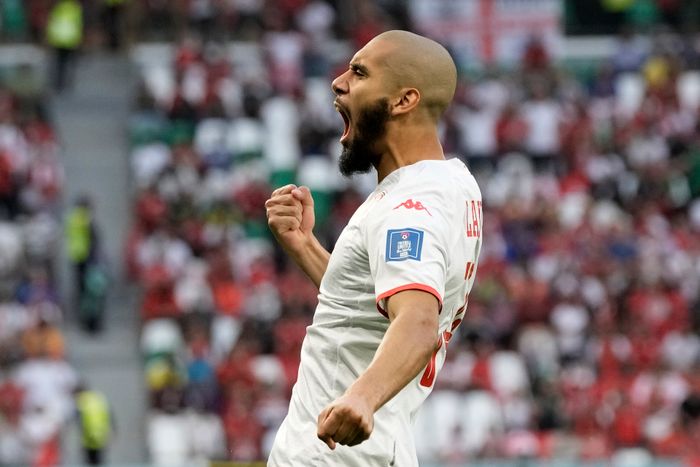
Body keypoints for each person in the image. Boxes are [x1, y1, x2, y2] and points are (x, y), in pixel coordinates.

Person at [265, 30, 483, 466]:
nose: (338, 82)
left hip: (332, 456)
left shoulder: (408, 207)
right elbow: (372, 308)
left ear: (404, 100)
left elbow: (418, 322)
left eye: (359, 72)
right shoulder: (454, 184)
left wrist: (361, 398)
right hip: (380, 449)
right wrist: (305, 247)